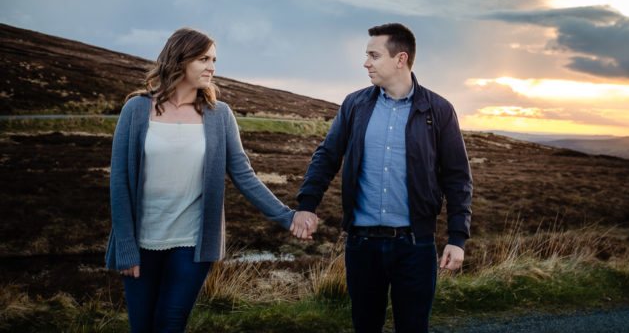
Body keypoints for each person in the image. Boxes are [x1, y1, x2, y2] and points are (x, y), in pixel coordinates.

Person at [105, 27, 299, 333]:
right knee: (142, 327)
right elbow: (119, 183)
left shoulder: (219, 115)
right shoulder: (136, 110)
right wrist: (126, 247)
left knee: (170, 324)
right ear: (179, 60)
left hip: (191, 245)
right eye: (203, 58)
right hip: (142, 243)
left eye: (214, 59)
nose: (212, 67)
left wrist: (287, 217)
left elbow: (244, 176)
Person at [291, 23, 473, 333]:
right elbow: (327, 156)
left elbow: (457, 178)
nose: (366, 63)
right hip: (361, 245)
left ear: (400, 59)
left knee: (413, 327)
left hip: (415, 245)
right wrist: (307, 204)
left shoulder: (438, 110)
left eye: (374, 55)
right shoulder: (355, 105)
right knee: (365, 327)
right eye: (367, 55)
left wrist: (457, 238)